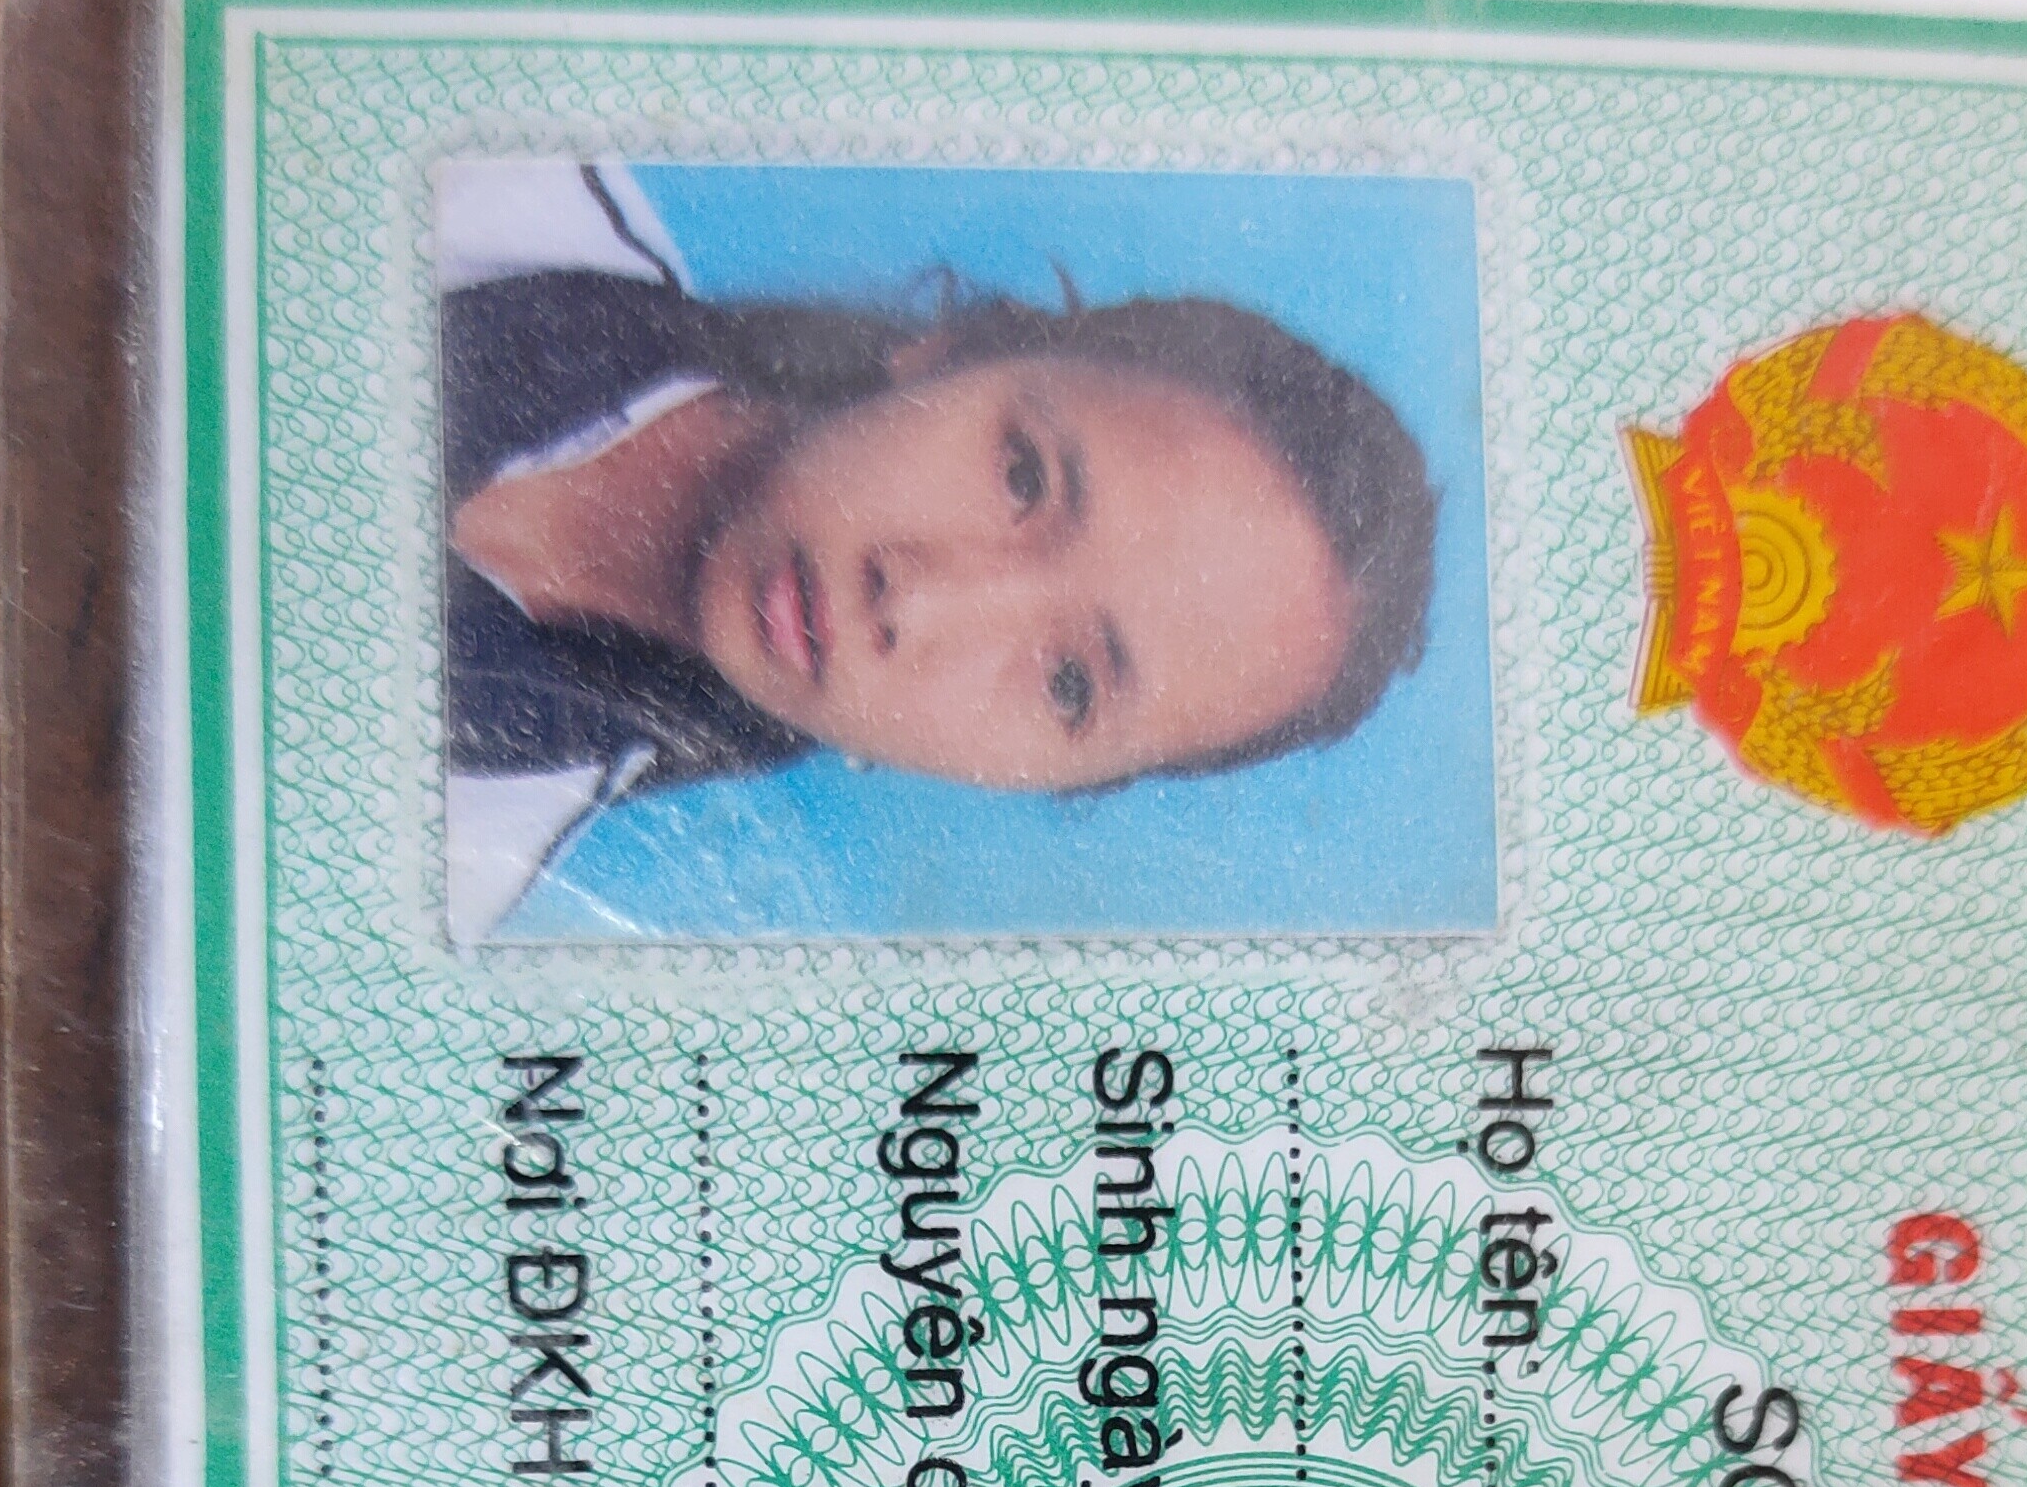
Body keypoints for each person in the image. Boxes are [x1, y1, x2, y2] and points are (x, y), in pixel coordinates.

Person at [437, 159, 1440, 935]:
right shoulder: (473, 165)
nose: (917, 603)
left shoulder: (440, 877)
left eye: (1069, 686)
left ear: (1036, 783)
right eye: (1024, 477)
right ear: (951, 351)